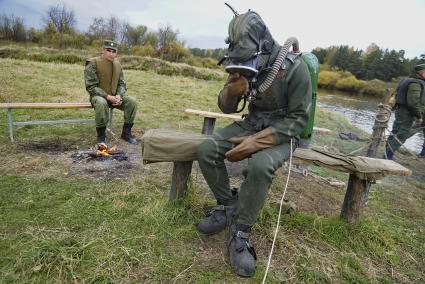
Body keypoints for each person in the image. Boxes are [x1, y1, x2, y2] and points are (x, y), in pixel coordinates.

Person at [196, 10, 311, 277]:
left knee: (259, 166)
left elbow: (299, 121)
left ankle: (241, 232)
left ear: (264, 46)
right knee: (207, 149)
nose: (241, 65)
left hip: (284, 131)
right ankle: (227, 206)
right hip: (253, 121)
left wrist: (256, 142)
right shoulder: (242, 62)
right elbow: (227, 106)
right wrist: (230, 91)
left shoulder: (295, 68)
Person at [84, 40, 138, 144]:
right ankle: (101, 137)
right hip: (98, 97)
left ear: (116, 53)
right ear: (103, 50)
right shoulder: (92, 63)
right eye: (108, 50)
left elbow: (122, 84)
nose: (111, 53)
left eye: (114, 51)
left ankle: (126, 133)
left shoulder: (118, 65)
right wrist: (107, 96)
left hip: (114, 97)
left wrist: (119, 95)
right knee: (101, 102)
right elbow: (91, 86)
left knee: (132, 102)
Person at [385, 63, 425, 160]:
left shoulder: (407, 80)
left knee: (395, 132)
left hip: (401, 111)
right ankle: (387, 157)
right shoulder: (416, 83)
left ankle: (387, 154)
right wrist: (419, 116)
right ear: (422, 72)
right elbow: (413, 102)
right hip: (407, 113)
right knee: (401, 134)